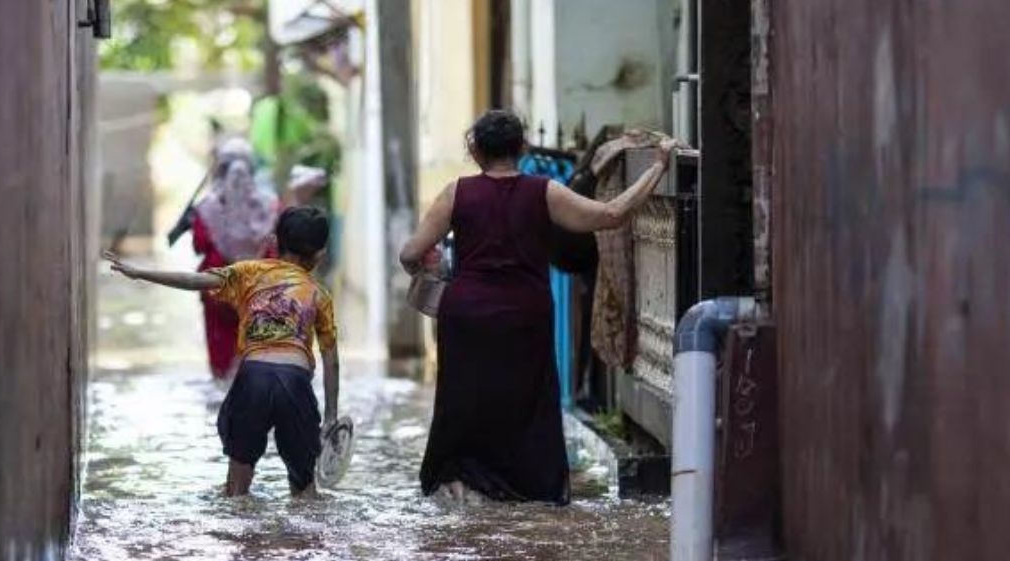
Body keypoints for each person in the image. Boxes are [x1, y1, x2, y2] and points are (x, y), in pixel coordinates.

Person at [398, 110, 674, 505]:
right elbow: (612, 215)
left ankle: (463, 481)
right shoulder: (545, 192)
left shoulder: (456, 193)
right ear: (523, 147)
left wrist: (428, 268)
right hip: (524, 316)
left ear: (475, 150)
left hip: (466, 316)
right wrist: (658, 166)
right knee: (526, 400)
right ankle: (525, 489)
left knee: (464, 399)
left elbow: (410, 254)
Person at [107, 207, 340, 498]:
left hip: (253, 377)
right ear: (320, 255)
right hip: (295, 381)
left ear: (274, 241)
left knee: (236, 490)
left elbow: (194, 281)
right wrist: (331, 416)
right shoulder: (319, 294)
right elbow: (331, 361)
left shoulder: (249, 271)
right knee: (305, 493)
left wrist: (140, 273)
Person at [192, 138, 279, 380]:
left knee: (221, 354)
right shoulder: (269, 206)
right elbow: (277, 246)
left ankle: (222, 386)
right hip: (258, 288)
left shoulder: (206, 208)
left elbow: (199, 246)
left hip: (217, 287)